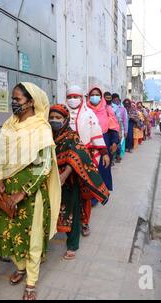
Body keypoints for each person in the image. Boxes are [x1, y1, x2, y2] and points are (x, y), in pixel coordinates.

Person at [0, 82, 61, 301]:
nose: (13, 103)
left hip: (30, 193)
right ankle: (20, 268)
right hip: (8, 190)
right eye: (13, 99)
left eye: (18, 99)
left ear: (31, 101)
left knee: (32, 238)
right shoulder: (9, 125)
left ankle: (31, 282)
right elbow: (2, 158)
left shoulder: (41, 128)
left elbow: (44, 167)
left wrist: (22, 193)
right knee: (12, 233)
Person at [49, 104, 109, 260]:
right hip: (49, 180)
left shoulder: (72, 136)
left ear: (65, 119)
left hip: (68, 181)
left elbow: (77, 155)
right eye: (52, 117)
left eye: (58, 118)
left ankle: (72, 245)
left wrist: (64, 175)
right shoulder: (47, 135)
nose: (54, 120)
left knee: (72, 213)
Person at [66, 85, 109, 237]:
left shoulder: (89, 114)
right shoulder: (62, 113)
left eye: (75, 96)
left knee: (85, 193)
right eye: (70, 97)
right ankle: (68, 222)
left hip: (85, 159)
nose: (73, 100)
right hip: (65, 161)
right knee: (68, 193)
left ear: (81, 98)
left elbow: (96, 133)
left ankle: (85, 223)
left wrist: (104, 152)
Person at [86, 87, 119, 193]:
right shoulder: (85, 109)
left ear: (101, 97)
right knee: (90, 168)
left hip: (104, 141)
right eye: (92, 95)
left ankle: (101, 191)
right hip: (89, 142)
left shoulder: (106, 109)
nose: (94, 97)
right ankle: (91, 194)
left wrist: (114, 142)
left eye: (97, 95)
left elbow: (113, 127)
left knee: (103, 166)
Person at [111, 93, 128, 162]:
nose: (116, 101)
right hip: (111, 128)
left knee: (119, 142)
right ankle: (112, 158)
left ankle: (118, 156)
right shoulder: (109, 107)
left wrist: (126, 131)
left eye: (117, 99)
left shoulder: (123, 109)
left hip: (120, 128)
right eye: (114, 99)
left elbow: (125, 120)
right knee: (112, 143)